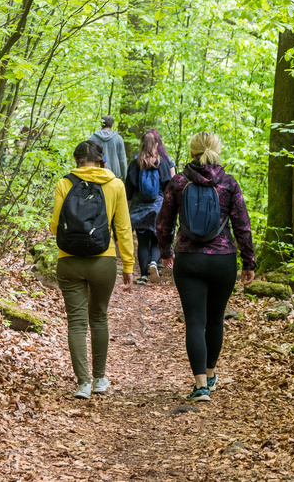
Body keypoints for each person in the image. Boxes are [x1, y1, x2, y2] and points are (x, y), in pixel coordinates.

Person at [156, 132, 255, 402]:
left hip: (189, 260)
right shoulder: (229, 183)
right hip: (223, 259)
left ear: (192, 152)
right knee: (215, 320)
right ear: (217, 151)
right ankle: (210, 375)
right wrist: (248, 262)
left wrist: (165, 252)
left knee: (194, 321)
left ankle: (200, 386)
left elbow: (163, 223)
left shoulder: (179, 182)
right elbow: (242, 226)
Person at [50, 140, 134, 399]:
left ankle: (82, 383)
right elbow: (123, 228)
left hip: (69, 260)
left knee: (76, 323)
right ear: (101, 159)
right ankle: (99, 379)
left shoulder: (65, 183)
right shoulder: (115, 185)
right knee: (98, 317)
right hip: (103, 260)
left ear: (77, 160)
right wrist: (128, 265)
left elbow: (54, 226)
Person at [125, 131, 175, 284]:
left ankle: (143, 276)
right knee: (156, 239)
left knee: (142, 242)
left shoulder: (135, 163)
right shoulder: (162, 163)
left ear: (141, 144)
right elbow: (168, 187)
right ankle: (154, 262)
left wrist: (128, 206)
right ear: (156, 145)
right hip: (157, 207)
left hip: (139, 208)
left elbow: (128, 188)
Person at [89, 115, 127, 181]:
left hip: (97, 174)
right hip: (114, 175)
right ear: (111, 125)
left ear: (102, 124)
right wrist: (125, 176)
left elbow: (89, 157)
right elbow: (122, 159)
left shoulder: (93, 138)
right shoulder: (118, 138)